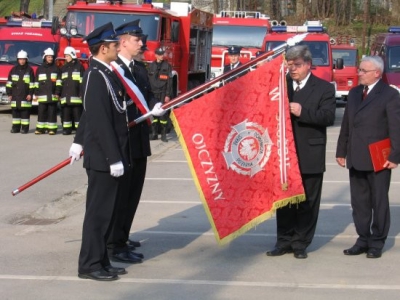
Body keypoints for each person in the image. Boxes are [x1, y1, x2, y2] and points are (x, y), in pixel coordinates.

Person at [266, 45, 336, 259]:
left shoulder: (324, 88)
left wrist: (302, 112)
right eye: (289, 65)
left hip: (310, 153)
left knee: (307, 201)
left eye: (296, 65)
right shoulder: (281, 85)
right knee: (285, 201)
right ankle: (283, 241)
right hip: (284, 154)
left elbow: (328, 117)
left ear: (308, 64)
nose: (292, 69)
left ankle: (300, 243)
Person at [72, 22, 128, 281]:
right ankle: (89, 264)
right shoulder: (95, 75)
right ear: (103, 48)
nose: (119, 47)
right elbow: (99, 119)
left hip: (109, 154)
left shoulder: (106, 72)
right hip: (104, 158)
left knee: (107, 213)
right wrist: (113, 158)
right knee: (98, 213)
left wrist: (78, 140)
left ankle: (101, 260)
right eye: (115, 44)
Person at [106, 20, 161, 264]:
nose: (142, 43)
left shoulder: (139, 69)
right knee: (120, 196)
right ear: (123, 41)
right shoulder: (111, 70)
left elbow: (147, 97)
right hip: (122, 142)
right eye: (137, 39)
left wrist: (156, 108)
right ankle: (114, 244)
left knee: (133, 194)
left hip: (139, 142)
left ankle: (123, 236)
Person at [336, 56, 400, 259]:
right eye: (360, 70)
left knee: (378, 201)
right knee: (359, 202)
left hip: (378, 157)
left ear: (377, 73)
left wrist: (395, 155)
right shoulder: (354, 93)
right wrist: (341, 151)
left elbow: (396, 128)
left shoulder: (389, 95)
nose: (359, 73)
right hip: (356, 155)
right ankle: (362, 239)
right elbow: (347, 123)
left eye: (364, 70)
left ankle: (377, 241)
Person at [34, 48, 61, 135]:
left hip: (53, 95)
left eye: (51, 57)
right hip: (42, 95)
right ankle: (40, 129)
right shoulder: (40, 68)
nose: (50, 59)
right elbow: (36, 82)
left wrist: (57, 92)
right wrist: (36, 93)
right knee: (41, 112)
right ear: (45, 57)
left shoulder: (56, 69)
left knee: (52, 112)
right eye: (48, 57)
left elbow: (59, 82)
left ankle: (52, 129)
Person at [6, 50, 35, 134]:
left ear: (26, 59)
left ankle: (24, 129)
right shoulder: (13, 70)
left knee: (25, 114)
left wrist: (30, 94)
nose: (22, 61)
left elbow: (32, 84)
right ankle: (15, 128)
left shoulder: (29, 70)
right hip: (15, 95)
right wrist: (9, 93)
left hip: (25, 96)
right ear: (17, 60)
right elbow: (9, 83)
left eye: (23, 59)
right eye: (20, 59)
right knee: (15, 113)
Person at [148, 46, 173, 142]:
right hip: (153, 93)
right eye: (159, 54)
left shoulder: (167, 66)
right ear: (156, 55)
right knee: (154, 115)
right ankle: (154, 134)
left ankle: (163, 135)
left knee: (163, 115)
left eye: (163, 54)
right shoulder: (151, 66)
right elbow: (148, 80)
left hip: (163, 93)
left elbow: (169, 82)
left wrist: (168, 95)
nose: (162, 56)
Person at [59, 46, 85, 135]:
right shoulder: (63, 68)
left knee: (77, 114)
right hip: (65, 96)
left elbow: (82, 82)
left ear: (72, 55)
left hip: (76, 96)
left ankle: (79, 131)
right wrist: (58, 93)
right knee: (66, 114)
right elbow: (60, 83)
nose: (66, 58)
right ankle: (67, 129)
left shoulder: (79, 67)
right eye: (65, 56)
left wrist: (81, 93)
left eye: (67, 56)